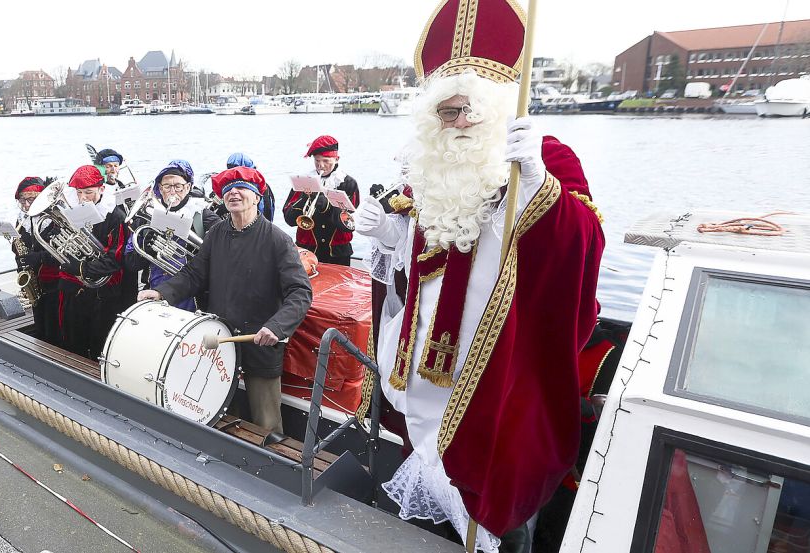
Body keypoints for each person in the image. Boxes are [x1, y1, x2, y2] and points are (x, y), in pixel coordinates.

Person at [354, 2, 605, 551]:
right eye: (446, 113)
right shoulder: (431, 167)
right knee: (430, 515)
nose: (458, 123)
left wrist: (539, 191)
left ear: (499, 106)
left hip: (502, 374)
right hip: (428, 370)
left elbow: (582, 248)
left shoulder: (544, 158)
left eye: (468, 110)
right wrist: (395, 237)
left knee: (498, 519)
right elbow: (431, 258)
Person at [138, 166, 312, 433]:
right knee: (217, 410)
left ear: (257, 197)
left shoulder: (278, 239)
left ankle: (270, 466)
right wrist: (162, 292)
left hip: (260, 340)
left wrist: (276, 328)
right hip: (221, 339)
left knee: (267, 422)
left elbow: (300, 293)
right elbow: (194, 275)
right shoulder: (217, 233)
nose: (234, 193)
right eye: (228, 190)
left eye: (243, 188)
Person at [56, 165, 137, 360]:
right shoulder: (73, 209)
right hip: (76, 289)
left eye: (89, 192)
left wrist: (82, 267)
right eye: (79, 192)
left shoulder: (115, 216)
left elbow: (115, 259)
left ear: (101, 189)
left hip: (104, 293)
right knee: (74, 340)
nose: (83, 198)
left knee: (100, 342)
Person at [125, 159, 221, 311]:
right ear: (160, 189)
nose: (172, 192)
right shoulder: (145, 219)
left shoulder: (203, 215)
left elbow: (222, 251)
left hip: (194, 298)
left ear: (188, 187)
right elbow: (131, 264)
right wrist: (147, 248)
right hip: (153, 292)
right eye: (167, 186)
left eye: (178, 186)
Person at [282, 136, 360, 266]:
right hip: (308, 251)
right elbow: (289, 219)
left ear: (337, 159)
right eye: (317, 161)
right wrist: (304, 199)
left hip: (337, 253)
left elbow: (349, 225)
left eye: (326, 160)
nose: (321, 166)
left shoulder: (348, 183)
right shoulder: (304, 181)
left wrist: (327, 205)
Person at [13, 176, 62, 346]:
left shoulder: (54, 218)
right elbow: (19, 247)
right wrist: (21, 265)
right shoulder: (23, 219)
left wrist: (40, 257)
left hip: (56, 281)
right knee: (40, 320)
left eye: (30, 200)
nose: (26, 205)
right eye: (22, 201)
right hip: (35, 280)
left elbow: (62, 253)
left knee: (56, 324)